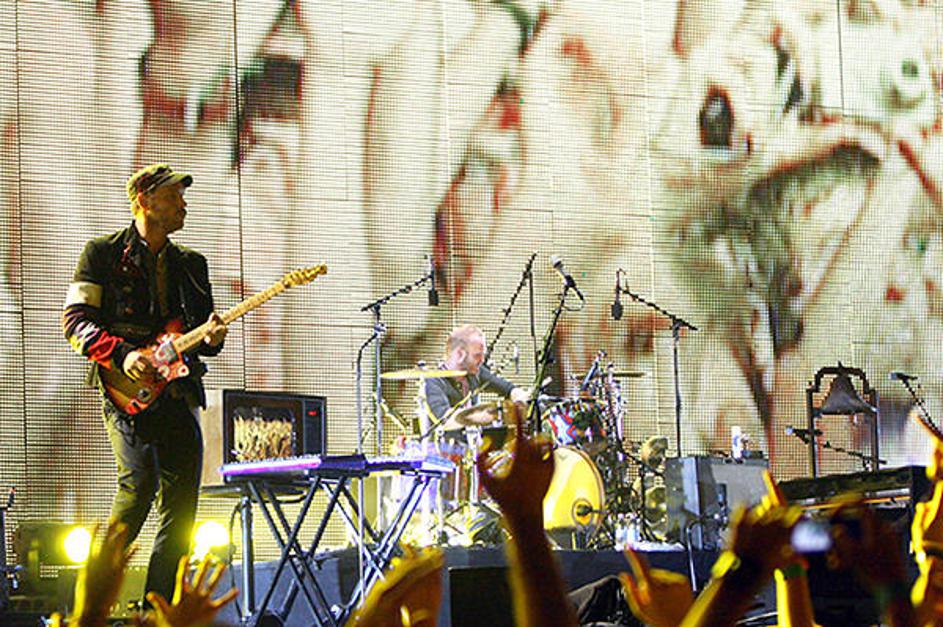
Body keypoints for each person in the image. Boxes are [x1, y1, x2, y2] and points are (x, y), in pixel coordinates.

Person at [62, 163, 227, 604]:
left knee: (182, 506)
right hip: (125, 393)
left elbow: (201, 337)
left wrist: (212, 338)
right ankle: (90, 600)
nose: (183, 205)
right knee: (137, 489)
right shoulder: (101, 254)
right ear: (144, 200)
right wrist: (123, 355)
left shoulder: (191, 265)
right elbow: (75, 322)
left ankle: (157, 607)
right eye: (173, 196)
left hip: (177, 392)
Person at [424, 324, 529, 429]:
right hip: (447, 439)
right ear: (460, 354)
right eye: (477, 355)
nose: (482, 360)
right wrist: (485, 415)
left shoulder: (474, 372)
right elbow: (446, 420)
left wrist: (522, 401)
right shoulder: (433, 382)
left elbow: (508, 389)